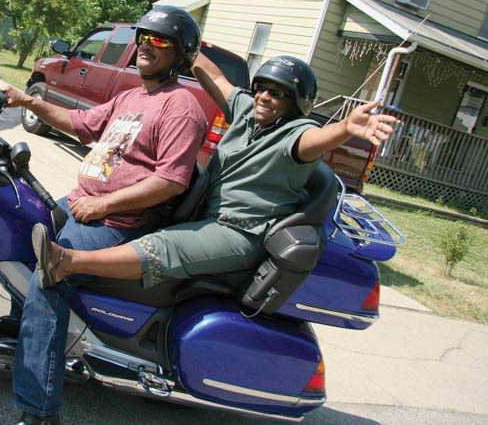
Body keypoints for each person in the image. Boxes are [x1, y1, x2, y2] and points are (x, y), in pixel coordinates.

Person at [32, 53, 399, 295]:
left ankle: (65, 262)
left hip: (239, 231)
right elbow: (214, 76)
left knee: (164, 246)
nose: (266, 97)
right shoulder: (246, 111)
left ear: (297, 105)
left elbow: (317, 139)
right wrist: (173, 38)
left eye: (279, 94)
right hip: (205, 216)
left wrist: (348, 127)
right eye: (264, 88)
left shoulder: (296, 135)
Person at [1, 6, 209, 425]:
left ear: (181, 54)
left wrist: (102, 205)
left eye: (161, 41)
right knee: (10, 225)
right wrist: (28, 100)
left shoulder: (182, 107)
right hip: (81, 203)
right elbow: (79, 123)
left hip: (117, 223)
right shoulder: (133, 96)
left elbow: (170, 181)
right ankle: (20, 338)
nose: (148, 46)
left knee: (48, 278)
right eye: (144, 38)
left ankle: (39, 411)